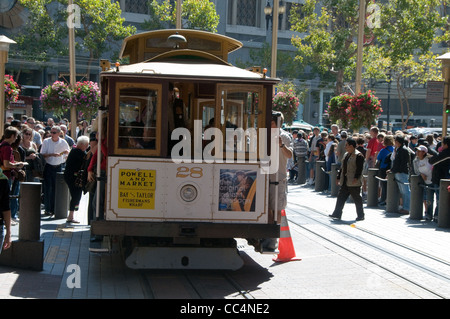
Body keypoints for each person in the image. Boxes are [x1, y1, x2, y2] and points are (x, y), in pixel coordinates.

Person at [261, 111, 293, 252]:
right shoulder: (264, 134)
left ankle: (273, 239)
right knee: (266, 206)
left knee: (278, 207)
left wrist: (281, 145)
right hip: (264, 175)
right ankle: (266, 236)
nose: (269, 124)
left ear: (277, 123)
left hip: (278, 177)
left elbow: (290, 155)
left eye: (272, 122)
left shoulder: (284, 136)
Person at [329, 138, 365, 221]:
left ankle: (361, 215)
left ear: (351, 146)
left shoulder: (359, 155)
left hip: (353, 181)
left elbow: (359, 168)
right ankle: (337, 213)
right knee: (340, 197)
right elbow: (342, 167)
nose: (345, 147)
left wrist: (356, 177)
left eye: (347, 145)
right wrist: (338, 177)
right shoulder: (346, 154)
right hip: (345, 180)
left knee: (357, 199)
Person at [40, 125, 71, 217]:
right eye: (51, 132)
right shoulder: (46, 141)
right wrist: (52, 154)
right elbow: (42, 154)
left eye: (54, 133)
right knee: (47, 188)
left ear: (59, 133)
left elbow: (68, 152)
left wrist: (66, 153)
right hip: (48, 166)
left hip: (59, 166)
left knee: (56, 189)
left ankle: (54, 209)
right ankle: (47, 208)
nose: (52, 134)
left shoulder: (63, 142)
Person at [64, 136, 90, 224]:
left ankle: (71, 216)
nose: (87, 147)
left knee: (76, 196)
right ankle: (70, 216)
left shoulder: (75, 150)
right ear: (82, 144)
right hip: (73, 178)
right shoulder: (78, 152)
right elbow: (86, 158)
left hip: (71, 177)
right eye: (86, 145)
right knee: (75, 196)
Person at [428, 136, 450, 222]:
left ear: (446, 145)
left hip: (442, 178)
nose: (441, 145)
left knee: (440, 199)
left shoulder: (446, 153)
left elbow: (433, 161)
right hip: (443, 177)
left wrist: (431, 156)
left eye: (443, 143)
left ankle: (439, 216)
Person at [387, 135, 411, 214]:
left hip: (402, 172)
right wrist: (392, 170)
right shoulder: (399, 149)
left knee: (405, 191)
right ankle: (404, 207)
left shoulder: (403, 150)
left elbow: (403, 162)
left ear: (397, 142)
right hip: (398, 172)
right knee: (402, 191)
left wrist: (398, 170)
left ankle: (407, 208)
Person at [413, 145, 433, 219]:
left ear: (424, 152)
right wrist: (421, 174)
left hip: (433, 180)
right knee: (428, 199)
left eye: (419, 151)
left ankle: (436, 215)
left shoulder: (430, 159)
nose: (417, 153)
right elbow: (416, 171)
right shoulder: (416, 161)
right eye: (417, 151)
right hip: (425, 182)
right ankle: (428, 213)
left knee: (434, 199)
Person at [376, 135, 394, 206]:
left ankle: (383, 199)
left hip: (383, 168)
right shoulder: (394, 149)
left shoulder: (383, 151)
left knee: (384, 185)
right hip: (391, 168)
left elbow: (378, 158)